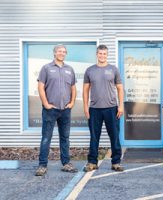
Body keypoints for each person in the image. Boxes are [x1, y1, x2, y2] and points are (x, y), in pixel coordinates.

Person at [35, 44, 78, 176]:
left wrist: (72, 103)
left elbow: (73, 88)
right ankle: (42, 165)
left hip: (65, 109)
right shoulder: (46, 68)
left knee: (65, 137)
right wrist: (46, 104)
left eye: (64, 52)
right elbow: (41, 87)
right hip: (50, 110)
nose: (61, 53)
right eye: (59, 51)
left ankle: (66, 163)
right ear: (54, 53)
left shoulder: (69, 69)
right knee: (46, 137)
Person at [83, 44, 124, 172]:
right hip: (94, 109)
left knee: (115, 136)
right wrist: (85, 107)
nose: (102, 56)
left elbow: (120, 88)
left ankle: (116, 162)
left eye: (104, 54)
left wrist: (121, 105)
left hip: (111, 108)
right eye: (100, 53)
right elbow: (85, 90)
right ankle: (92, 162)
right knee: (94, 136)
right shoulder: (90, 70)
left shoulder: (113, 69)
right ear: (97, 54)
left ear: (107, 55)